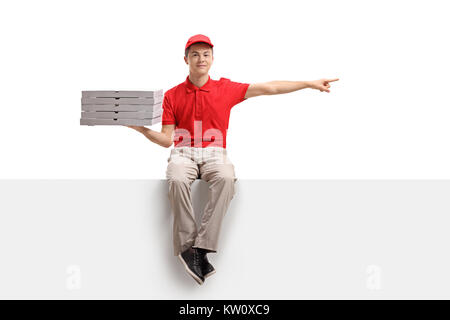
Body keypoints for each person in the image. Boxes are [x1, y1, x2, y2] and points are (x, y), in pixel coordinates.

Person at [126, 34, 339, 285]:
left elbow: (269, 87)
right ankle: (186, 247)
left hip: (216, 154)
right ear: (186, 59)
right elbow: (166, 139)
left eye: (206, 54)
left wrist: (308, 83)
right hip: (183, 153)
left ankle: (201, 249)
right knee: (176, 177)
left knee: (227, 178)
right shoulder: (172, 95)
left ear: (212, 59)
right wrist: (141, 129)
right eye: (195, 54)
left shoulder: (225, 88)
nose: (201, 58)